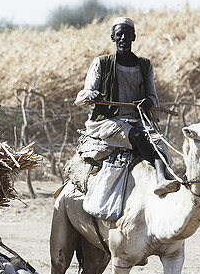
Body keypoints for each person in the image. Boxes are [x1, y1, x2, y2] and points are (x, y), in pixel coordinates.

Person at [74, 16, 179, 195]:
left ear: (134, 37)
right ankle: (161, 178)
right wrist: (92, 94)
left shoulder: (145, 65)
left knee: (158, 142)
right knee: (138, 136)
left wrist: (148, 102)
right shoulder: (101, 63)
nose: (123, 38)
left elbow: (152, 96)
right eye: (119, 35)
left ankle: (162, 178)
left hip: (137, 119)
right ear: (113, 38)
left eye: (127, 35)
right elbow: (85, 94)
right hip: (108, 121)